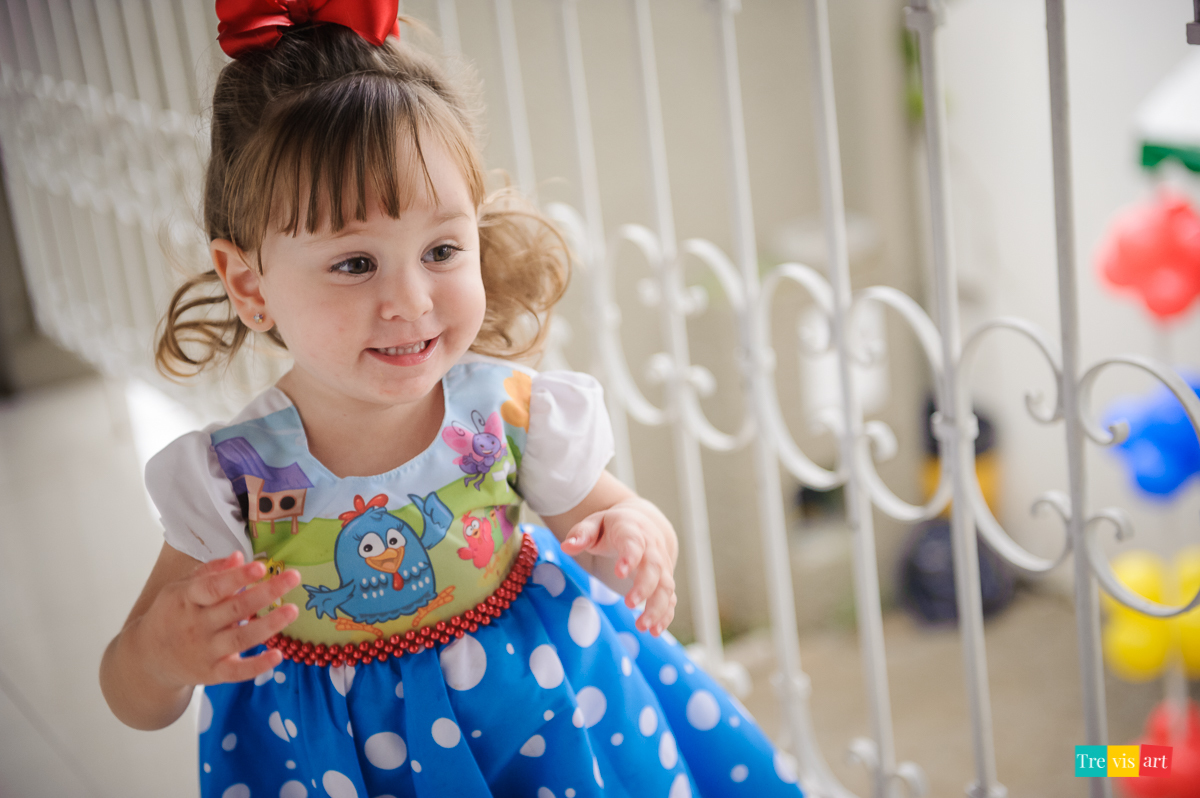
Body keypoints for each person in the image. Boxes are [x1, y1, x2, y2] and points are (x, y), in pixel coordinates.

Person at [99, 3, 804, 796]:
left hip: (544, 738)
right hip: (344, 769)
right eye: (355, 264)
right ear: (249, 284)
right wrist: (161, 655)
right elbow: (131, 693)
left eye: (440, 250)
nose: (411, 301)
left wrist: (637, 538)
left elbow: (609, 526)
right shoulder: (230, 479)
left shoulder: (507, 413)